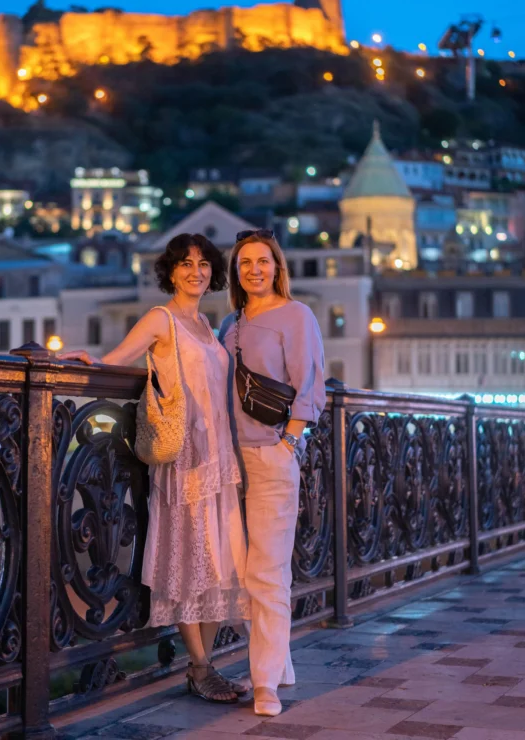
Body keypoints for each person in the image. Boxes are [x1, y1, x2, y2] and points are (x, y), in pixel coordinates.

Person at [60, 233, 250, 703]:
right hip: (183, 458)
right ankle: (201, 666)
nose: (196, 271)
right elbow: (117, 359)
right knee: (191, 560)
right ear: (170, 270)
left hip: (219, 457)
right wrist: (90, 360)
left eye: (204, 264)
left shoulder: (208, 326)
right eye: (186, 263)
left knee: (219, 563)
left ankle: (203, 668)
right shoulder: (161, 319)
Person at [219, 229, 326, 717]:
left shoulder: (296, 315)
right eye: (245, 263)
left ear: (277, 266)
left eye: (263, 261)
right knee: (239, 573)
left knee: (267, 572)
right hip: (227, 462)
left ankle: (265, 684)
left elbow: (309, 385)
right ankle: (272, 667)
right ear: (235, 272)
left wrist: (289, 442)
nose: (254, 269)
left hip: (271, 457)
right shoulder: (231, 325)